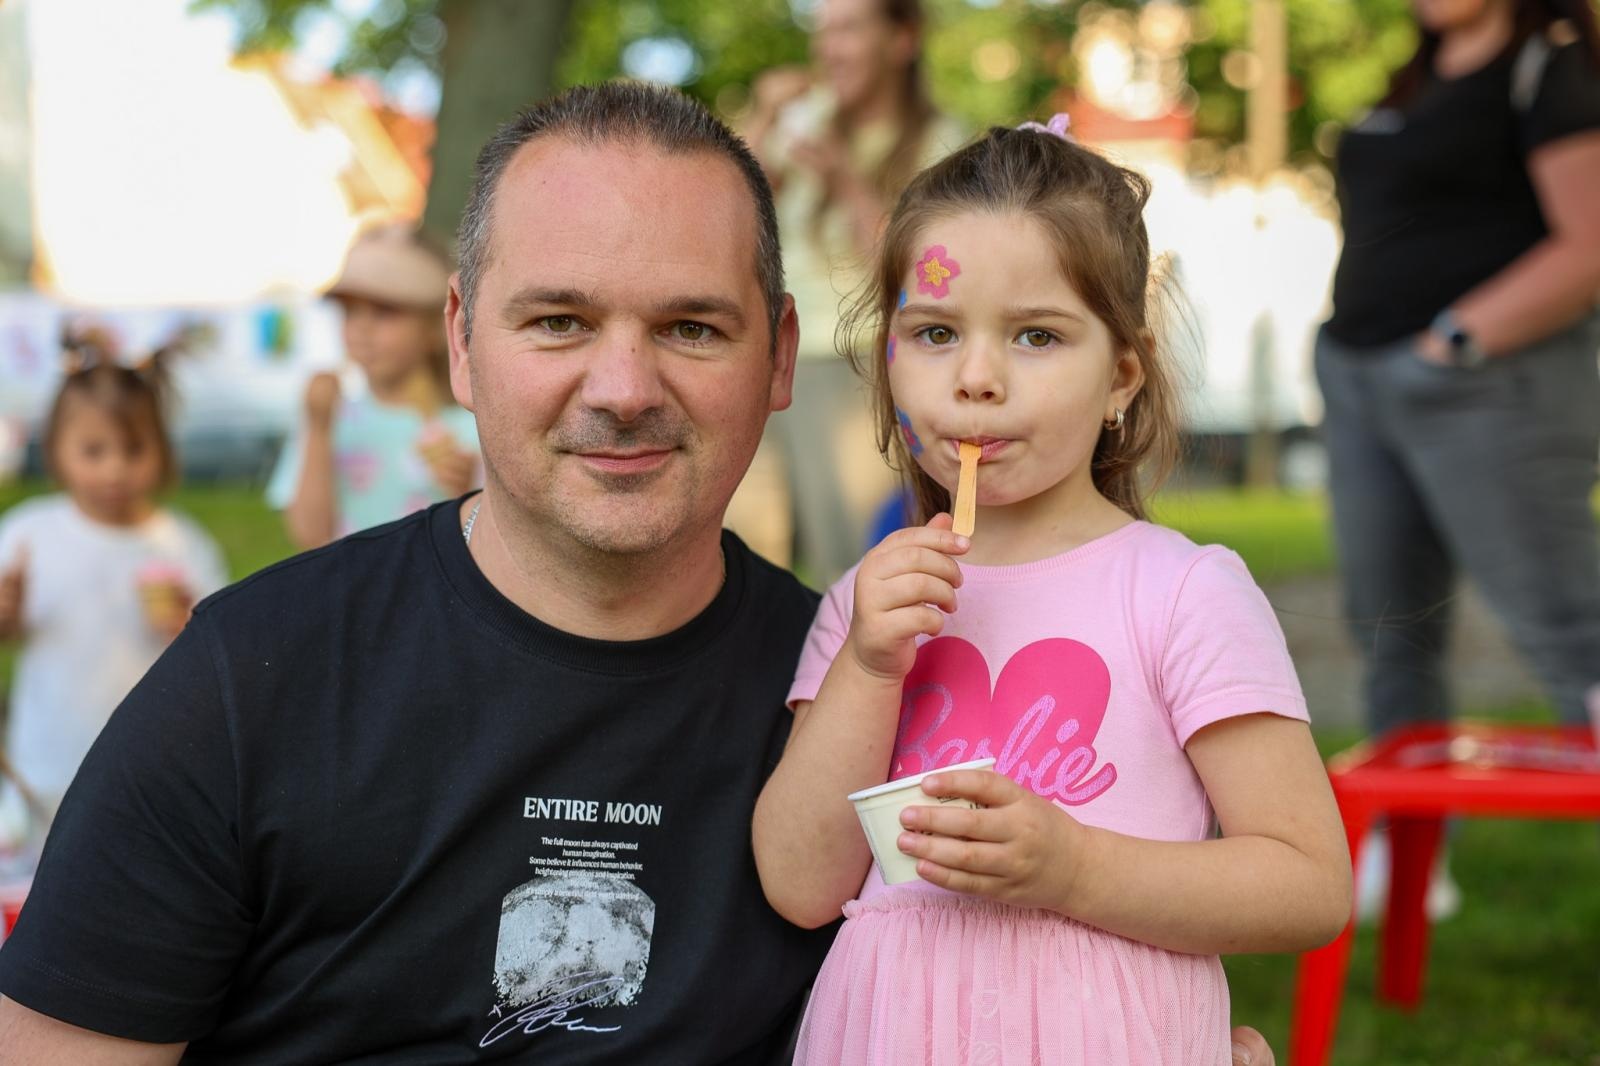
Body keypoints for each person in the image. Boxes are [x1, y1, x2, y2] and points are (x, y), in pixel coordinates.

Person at [0, 85, 1284, 1066]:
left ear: (778, 359)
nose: (622, 388)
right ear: (462, 342)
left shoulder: (864, 680)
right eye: (558, 319)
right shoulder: (252, 680)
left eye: (689, 326)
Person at [753, 120, 1351, 1064]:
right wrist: (867, 668)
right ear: (889, 356)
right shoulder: (867, 608)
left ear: (1122, 376)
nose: (977, 378)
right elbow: (799, 884)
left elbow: (1309, 885)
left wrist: (1074, 869)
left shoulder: (1180, 594)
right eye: (935, 333)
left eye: (1036, 336)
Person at [1315, 0, 1600, 917]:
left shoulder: (1550, 67)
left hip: (1483, 385)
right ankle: (1410, 861)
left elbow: (1590, 245)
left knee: (1571, 628)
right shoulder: (1414, 77)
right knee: (1391, 629)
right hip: (1361, 381)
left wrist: (1455, 340)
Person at [735, 0, 965, 582]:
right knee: (743, 552)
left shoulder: (939, 141)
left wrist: (844, 180)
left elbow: (921, 275)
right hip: (767, 355)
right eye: (823, 32)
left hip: (857, 364)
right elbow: (726, 209)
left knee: (857, 561)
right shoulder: (804, 120)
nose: (827, 49)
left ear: (902, 39)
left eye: (849, 30)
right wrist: (763, 116)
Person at [0, 352, 227, 833]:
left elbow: (221, 658)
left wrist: (186, 629)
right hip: (47, 767)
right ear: (55, 447)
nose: (115, 470)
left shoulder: (183, 543)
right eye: (93, 450)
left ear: (162, 447)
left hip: (152, 771)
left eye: (134, 449)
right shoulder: (27, 534)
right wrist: (7, 612)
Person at [267, 222, 480, 549]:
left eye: (384, 312)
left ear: (437, 327)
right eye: (350, 311)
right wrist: (319, 427)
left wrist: (469, 493)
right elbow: (310, 537)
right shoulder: (330, 419)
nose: (361, 328)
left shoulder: (474, 427)